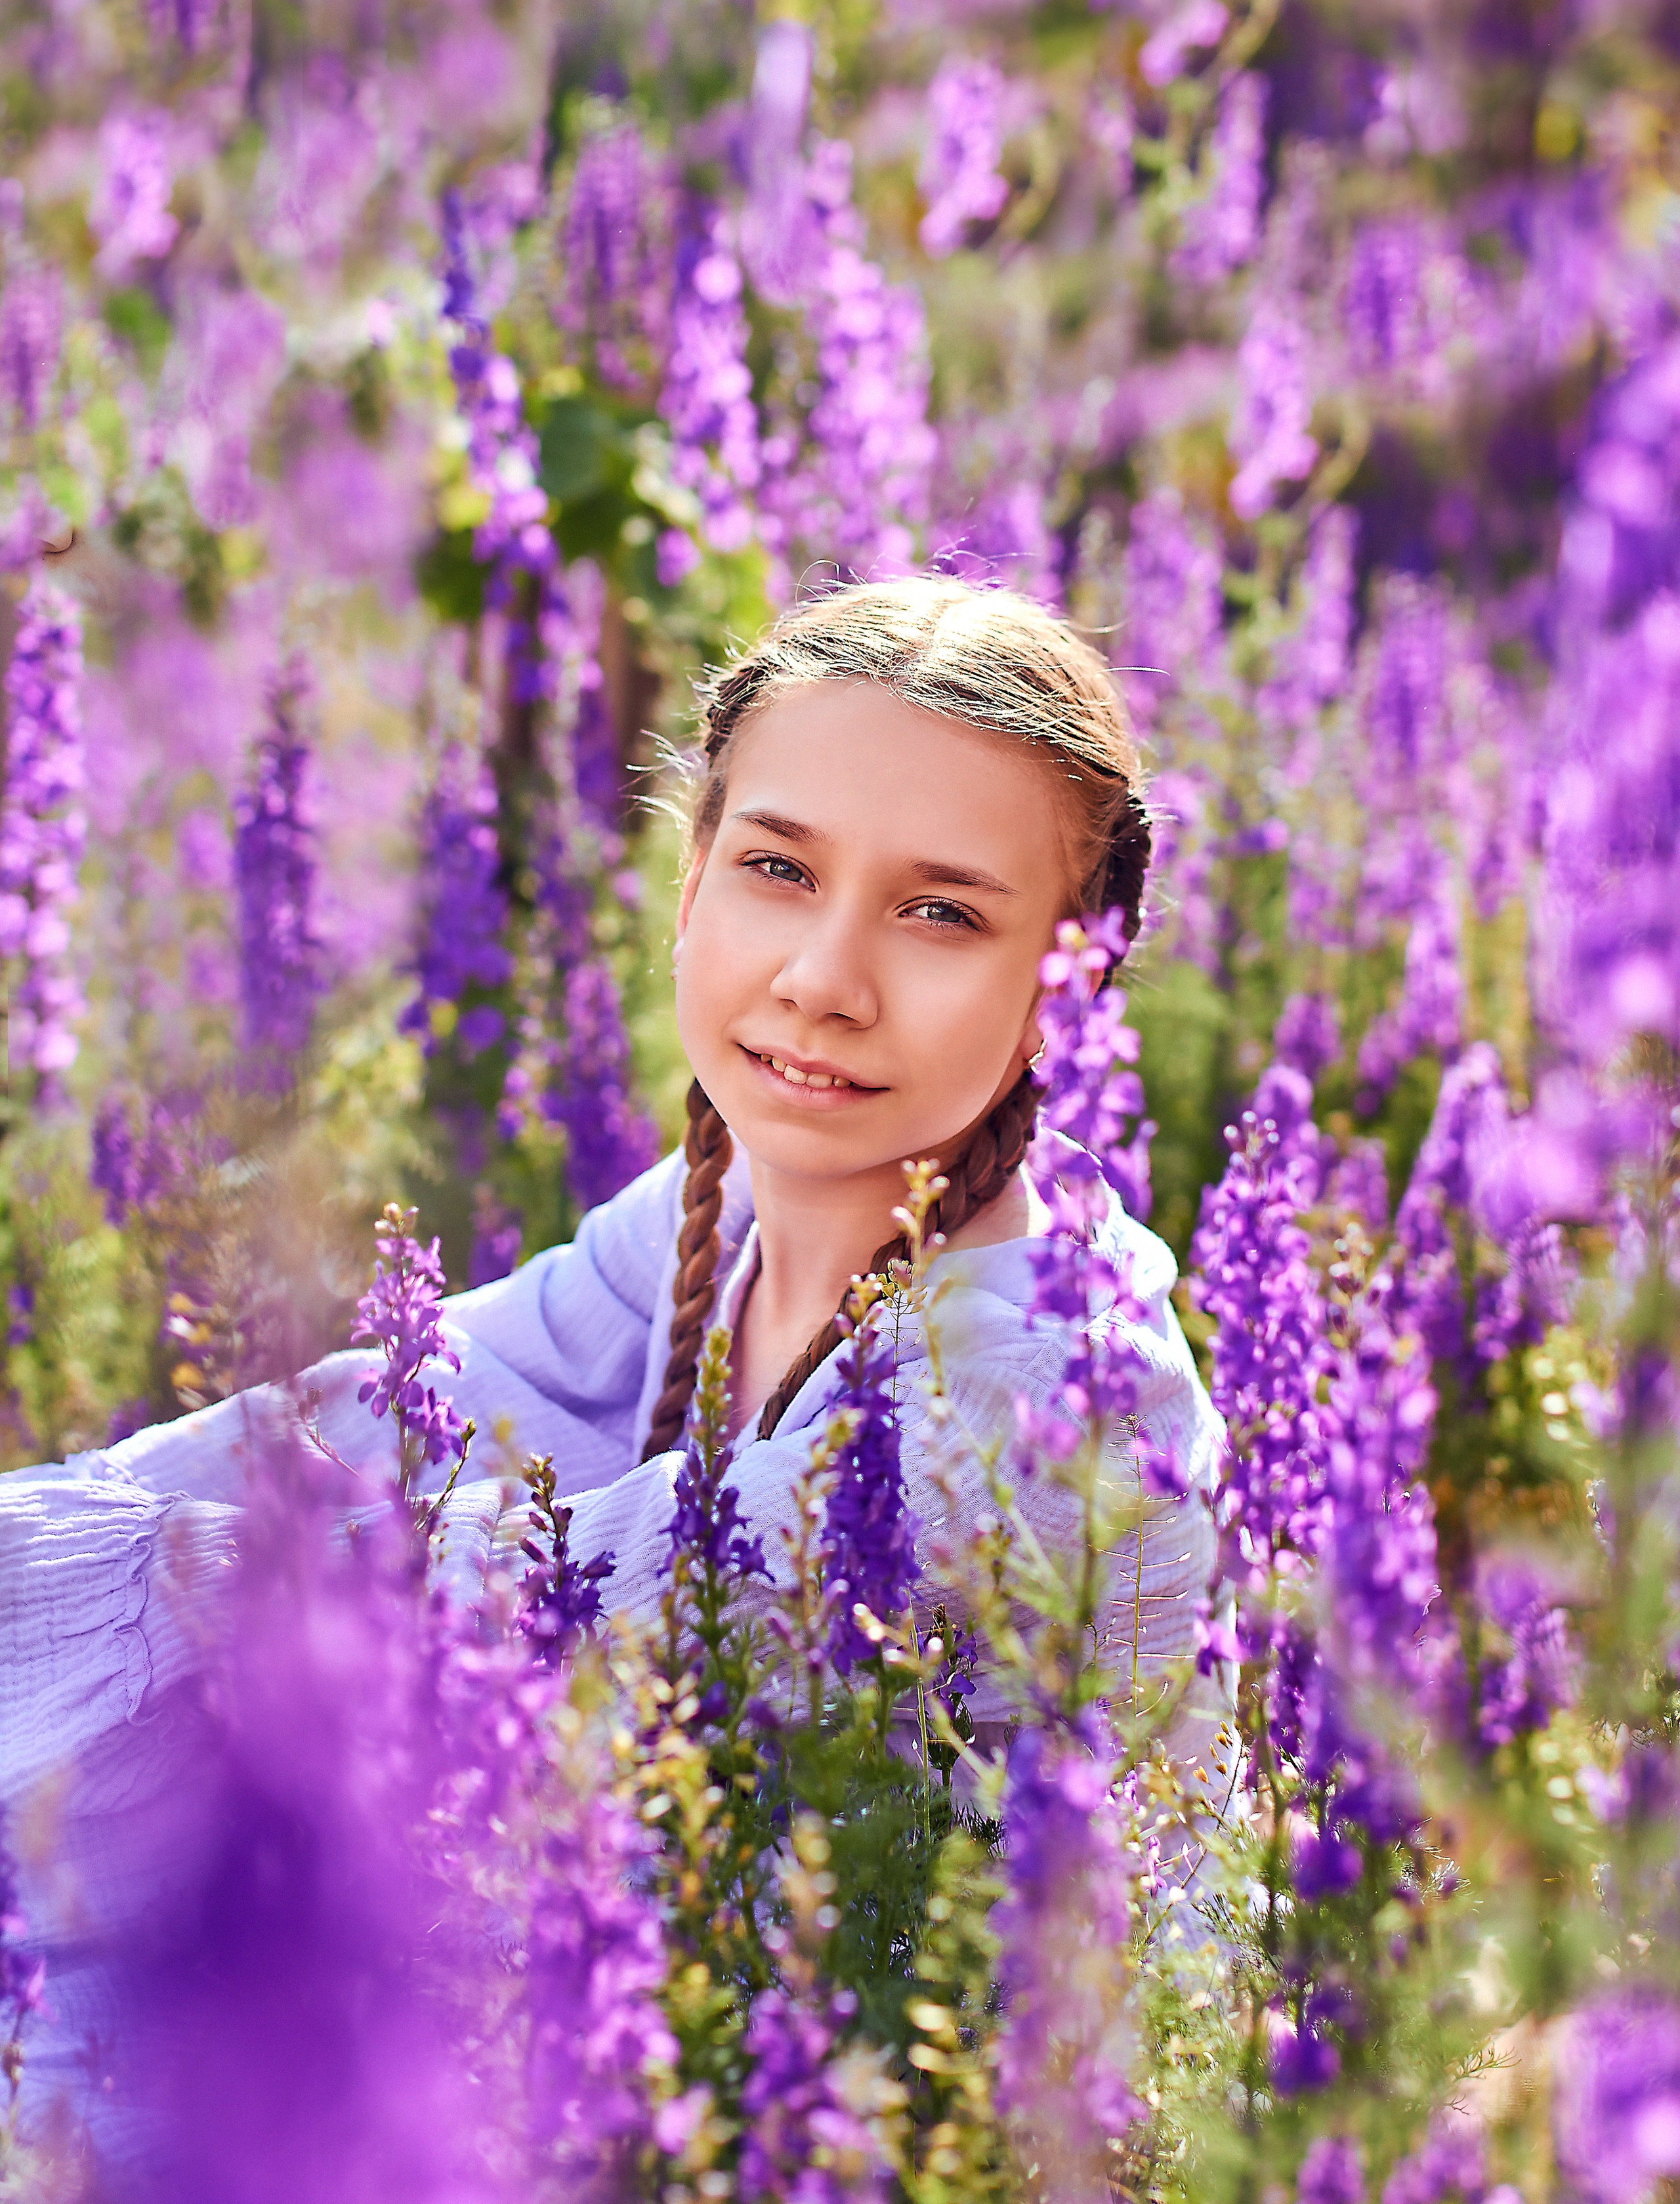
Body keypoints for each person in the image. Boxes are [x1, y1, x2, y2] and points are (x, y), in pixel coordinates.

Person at [1, 578, 1225, 2127]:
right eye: (779, 869)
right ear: (690, 880)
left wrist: (163, 1580)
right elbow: (391, 1408)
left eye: (940, 913)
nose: (822, 980)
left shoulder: (1037, 1385)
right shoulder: (731, 1215)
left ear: (1076, 975)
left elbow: (554, 1611)